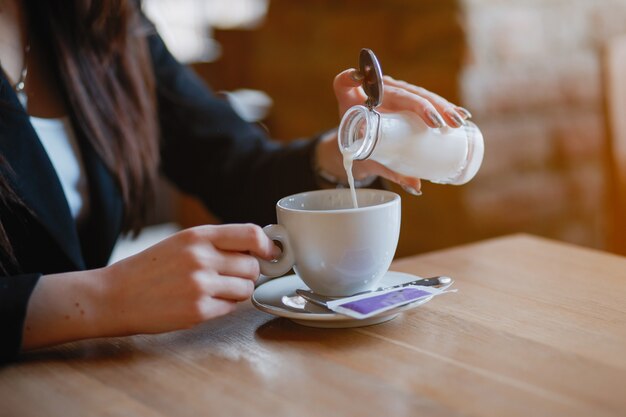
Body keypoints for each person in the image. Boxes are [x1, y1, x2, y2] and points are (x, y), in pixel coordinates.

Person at [0, 0, 471, 363]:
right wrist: (106, 298)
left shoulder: (102, 18)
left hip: (91, 376)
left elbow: (233, 165)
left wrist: (350, 150)